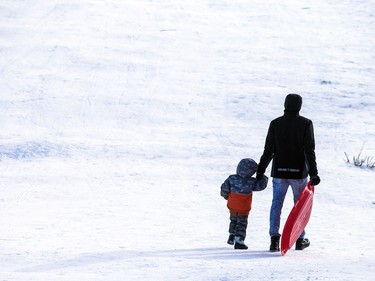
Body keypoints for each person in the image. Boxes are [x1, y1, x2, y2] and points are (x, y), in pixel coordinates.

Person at [257, 93, 321, 252]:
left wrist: (261, 169)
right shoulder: (306, 123)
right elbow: (309, 150)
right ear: (299, 106)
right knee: (299, 206)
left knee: (276, 204)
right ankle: (300, 239)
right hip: (298, 173)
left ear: (285, 104)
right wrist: (314, 173)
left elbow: (268, 150)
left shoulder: (275, 123)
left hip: (279, 171)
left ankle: (274, 239)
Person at [220, 158, 268, 250]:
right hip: (244, 208)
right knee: (241, 223)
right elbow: (261, 185)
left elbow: (224, 189)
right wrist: (263, 176)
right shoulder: (251, 182)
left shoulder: (231, 178)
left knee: (233, 220)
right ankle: (239, 241)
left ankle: (232, 235)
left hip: (232, 205)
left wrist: (225, 196)